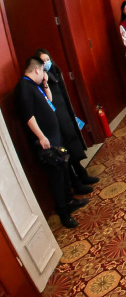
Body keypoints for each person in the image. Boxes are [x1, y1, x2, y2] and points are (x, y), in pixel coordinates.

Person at [17, 57, 89, 226]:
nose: (44, 74)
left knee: (64, 172)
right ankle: (64, 214)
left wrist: (45, 84)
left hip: (55, 138)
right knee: (56, 177)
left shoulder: (34, 85)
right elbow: (28, 116)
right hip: (46, 142)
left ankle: (70, 201)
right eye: (42, 71)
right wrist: (41, 136)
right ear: (37, 69)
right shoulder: (23, 88)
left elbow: (49, 101)